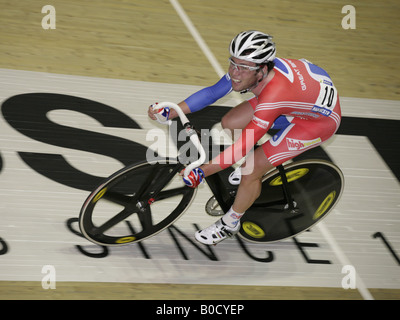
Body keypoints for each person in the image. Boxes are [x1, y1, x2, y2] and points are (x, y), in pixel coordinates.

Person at [148, 30, 341, 245]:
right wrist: (172, 111)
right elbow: (213, 92)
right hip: (297, 102)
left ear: (262, 70)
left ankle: (230, 222)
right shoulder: (253, 67)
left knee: (250, 169)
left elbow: (241, 148)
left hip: (317, 123)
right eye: (232, 63)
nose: (234, 73)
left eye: (242, 68)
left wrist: (202, 171)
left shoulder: (273, 95)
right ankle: (255, 169)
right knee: (230, 122)